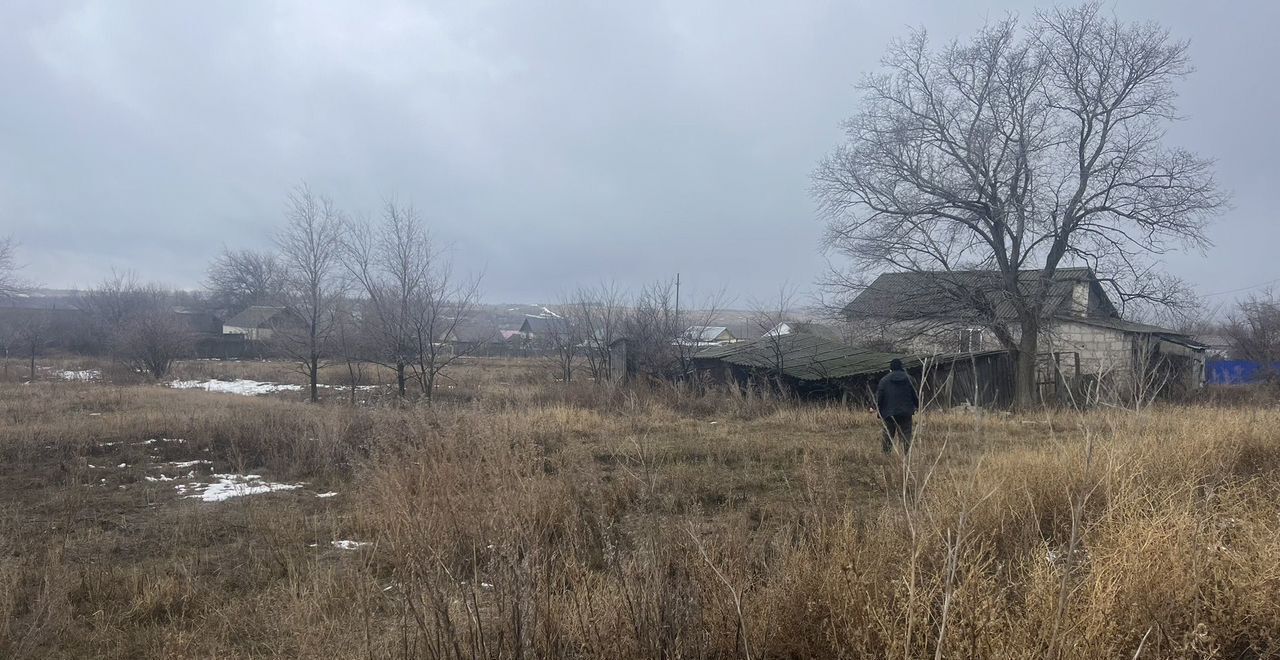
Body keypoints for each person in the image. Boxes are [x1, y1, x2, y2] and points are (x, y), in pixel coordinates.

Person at [876, 358, 918, 454]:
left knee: (888, 435)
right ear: (901, 367)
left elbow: (879, 396)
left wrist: (878, 410)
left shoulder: (884, 380)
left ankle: (886, 454)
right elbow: (915, 395)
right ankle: (906, 454)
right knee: (906, 434)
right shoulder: (909, 379)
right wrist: (916, 406)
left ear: (890, 368)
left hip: (888, 412)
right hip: (906, 412)